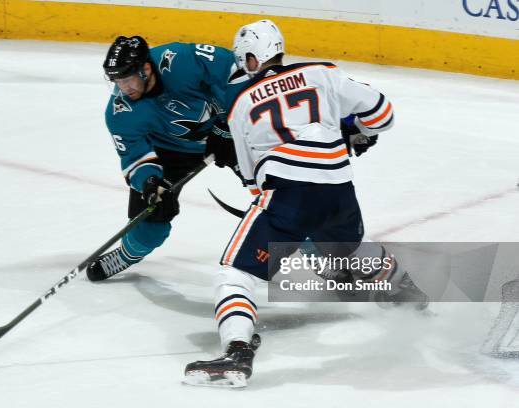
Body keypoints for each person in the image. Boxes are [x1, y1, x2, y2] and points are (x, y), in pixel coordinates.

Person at [183, 20, 428, 387]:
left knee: (235, 273)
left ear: (251, 58)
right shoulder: (323, 73)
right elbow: (383, 115)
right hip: (339, 188)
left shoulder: (239, 103)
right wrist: (356, 132)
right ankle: (405, 288)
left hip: (287, 192)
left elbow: (252, 180)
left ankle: (237, 351)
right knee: (348, 247)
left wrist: (281, 222)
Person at [86, 36, 238, 282]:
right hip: (171, 151)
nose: (123, 88)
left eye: (127, 79)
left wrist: (229, 124)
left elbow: (237, 73)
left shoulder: (180, 60)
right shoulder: (120, 113)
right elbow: (135, 157)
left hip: (231, 131)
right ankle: (126, 255)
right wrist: (150, 184)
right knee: (150, 223)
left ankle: (309, 260)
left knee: (283, 186)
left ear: (146, 69)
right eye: (117, 80)